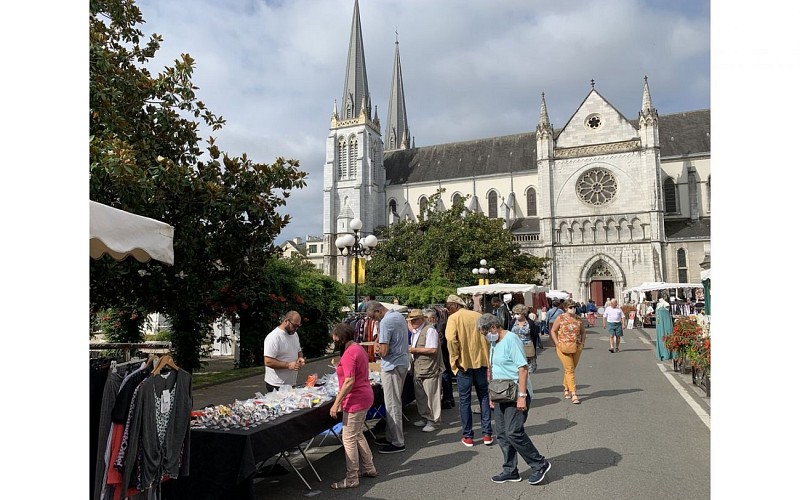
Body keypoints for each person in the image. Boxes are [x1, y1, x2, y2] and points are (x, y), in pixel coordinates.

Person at [478, 314, 552, 486]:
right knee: (502, 434)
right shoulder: (495, 343)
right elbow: (494, 369)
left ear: (494, 328)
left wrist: (522, 396)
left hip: (516, 392)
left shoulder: (512, 340)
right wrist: (491, 395)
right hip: (500, 393)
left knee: (514, 432)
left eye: (485, 333)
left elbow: (523, 368)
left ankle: (539, 463)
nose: (485, 337)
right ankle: (510, 470)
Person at [328, 323, 378, 489]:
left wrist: (336, 403)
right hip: (364, 395)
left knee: (348, 437)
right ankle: (369, 468)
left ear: (341, 338)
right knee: (356, 434)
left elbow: (349, 380)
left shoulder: (350, 352)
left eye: (335, 338)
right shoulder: (358, 348)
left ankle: (352, 478)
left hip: (356, 399)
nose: (334, 341)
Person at [444, 294, 493, 447]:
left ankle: (468, 436)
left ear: (455, 305)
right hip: (481, 362)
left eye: (448, 306)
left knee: (465, 401)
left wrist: (455, 358)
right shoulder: (477, 315)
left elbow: (451, 340)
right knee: (483, 397)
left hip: (463, 364)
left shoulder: (454, 318)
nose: (447, 309)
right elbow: (487, 337)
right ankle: (487, 434)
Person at [365, 300, 409, 454]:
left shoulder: (385, 322)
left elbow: (384, 351)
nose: (373, 320)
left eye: (373, 317)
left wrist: (377, 350)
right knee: (394, 402)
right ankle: (392, 437)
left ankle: (397, 442)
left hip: (392, 366)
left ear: (378, 310)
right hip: (401, 363)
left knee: (392, 404)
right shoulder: (398, 316)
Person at [407, 309, 444, 432]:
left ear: (422, 318)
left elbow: (433, 350)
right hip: (419, 368)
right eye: (411, 320)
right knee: (421, 395)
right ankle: (425, 417)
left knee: (431, 396)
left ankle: (433, 421)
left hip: (429, 368)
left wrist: (414, 350)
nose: (412, 322)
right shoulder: (417, 331)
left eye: (415, 319)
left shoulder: (430, 330)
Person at [550, 299, 586, 404]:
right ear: (565, 308)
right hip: (563, 347)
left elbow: (583, 332)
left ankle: (566, 387)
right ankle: (574, 393)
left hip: (576, 347)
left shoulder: (578, 319)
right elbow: (553, 330)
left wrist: (582, 343)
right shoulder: (560, 318)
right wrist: (557, 343)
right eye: (571, 307)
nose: (573, 309)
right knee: (570, 369)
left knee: (570, 369)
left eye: (574, 307)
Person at [263, 310, 305, 392]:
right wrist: (288, 365)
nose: (296, 329)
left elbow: (299, 352)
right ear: (286, 321)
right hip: (276, 385)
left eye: (298, 326)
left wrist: (300, 358)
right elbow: (268, 361)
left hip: (291, 383)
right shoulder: (274, 337)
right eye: (294, 326)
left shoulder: (295, 335)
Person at [427, 307, 456, 409]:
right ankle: (449, 398)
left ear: (433, 318)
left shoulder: (439, 325)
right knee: (445, 376)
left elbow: (442, 340)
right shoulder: (441, 323)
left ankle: (448, 399)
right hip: (445, 354)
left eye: (428, 318)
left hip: (443, 354)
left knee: (444, 376)